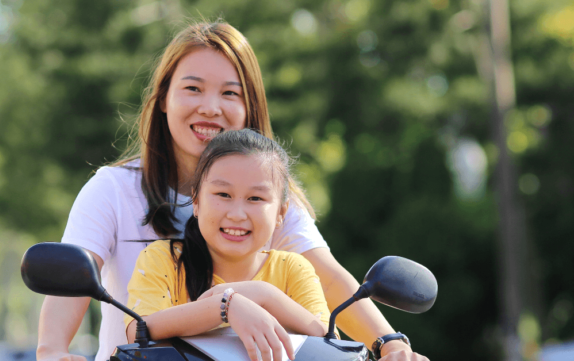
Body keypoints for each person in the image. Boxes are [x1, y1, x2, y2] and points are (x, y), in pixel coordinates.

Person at [37, 20, 429, 361]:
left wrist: (388, 343)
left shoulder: (274, 197)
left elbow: (327, 280)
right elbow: (74, 276)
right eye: (193, 88)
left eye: (229, 93)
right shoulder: (114, 190)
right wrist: (52, 349)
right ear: (162, 99)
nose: (210, 107)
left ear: (249, 108)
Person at [125, 129, 330, 361]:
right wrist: (226, 307)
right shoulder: (164, 259)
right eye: (223, 194)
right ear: (196, 201)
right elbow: (139, 330)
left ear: (281, 213)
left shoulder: (293, 268)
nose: (237, 214)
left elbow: (323, 338)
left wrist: (263, 294)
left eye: (255, 198)